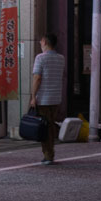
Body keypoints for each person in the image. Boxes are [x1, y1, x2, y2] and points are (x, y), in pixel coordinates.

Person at [28, 32, 67, 164]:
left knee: (45, 128)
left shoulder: (40, 58)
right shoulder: (61, 58)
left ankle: (48, 155)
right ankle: (50, 152)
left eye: (40, 41)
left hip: (44, 99)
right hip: (56, 98)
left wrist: (33, 97)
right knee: (50, 125)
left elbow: (37, 78)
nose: (40, 43)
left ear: (44, 41)